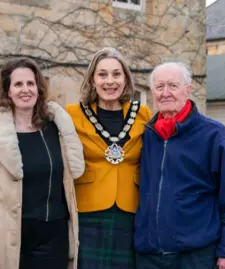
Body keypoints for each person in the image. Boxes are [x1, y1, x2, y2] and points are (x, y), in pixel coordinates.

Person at [0, 58, 85, 269]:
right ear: (7, 91)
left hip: (55, 238)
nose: (25, 90)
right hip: (7, 238)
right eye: (18, 84)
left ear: (38, 88)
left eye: (30, 84)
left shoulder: (57, 129)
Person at [134, 62, 225, 269]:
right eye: (159, 87)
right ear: (152, 92)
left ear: (188, 90)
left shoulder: (214, 135)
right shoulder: (146, 136)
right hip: (149, 256)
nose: (166, 93)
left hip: (196, 256)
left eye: (173, 86)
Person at [66, 47, 152, 269]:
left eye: (116, 74)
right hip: (87, 212)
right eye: (102, 74)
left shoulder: (144, 114)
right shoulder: (71, 114)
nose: (109, 81)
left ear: (125, 79)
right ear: (92, 79)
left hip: (131, 211)